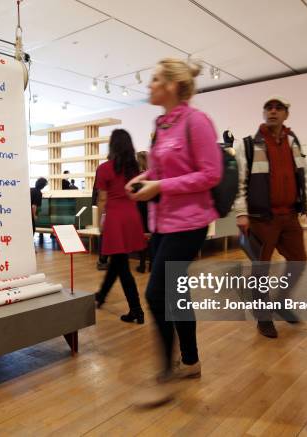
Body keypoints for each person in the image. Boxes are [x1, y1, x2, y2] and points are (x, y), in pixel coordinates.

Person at [126, 58, 222, 406]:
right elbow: (157, 169)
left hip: (190, 221)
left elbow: (210, 174)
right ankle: (192, 360)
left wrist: (160, 185)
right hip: (163, 222)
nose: (148, 85)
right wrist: (142, 180)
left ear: (171, 86)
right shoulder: (161, 123)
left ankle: (165, 375)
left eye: (154, 80)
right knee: (175, 292)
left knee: (155, 294)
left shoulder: (197, 121)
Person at [234, 96, 307, 338]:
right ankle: (263, 317)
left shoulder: (294, 142)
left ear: (286, 115)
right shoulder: (248, 144)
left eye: (278, 108)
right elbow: (240, 181)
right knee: (261, 270)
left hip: (290, 216)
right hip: (262, 218)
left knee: (298, 261)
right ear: (263, 113)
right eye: (268, 108)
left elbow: (305, 175)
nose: (272, 112)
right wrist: (241, 213)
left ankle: (280, 301)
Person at [95, 129, 147, 324]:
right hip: (132, 217)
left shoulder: (104, 168)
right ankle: (101, 296)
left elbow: (102, 199)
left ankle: (137, 310)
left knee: (122, 266)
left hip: (115, 218)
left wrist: (100, 221)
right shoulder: (134, 170)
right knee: (118, 261)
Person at [136, 151, 150, 273]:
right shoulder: (153, 175)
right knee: (152, 237)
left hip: (140, 209)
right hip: (152, 209)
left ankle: (141, 264)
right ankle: (151, 264)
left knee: (142, 237)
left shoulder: (138, 178)